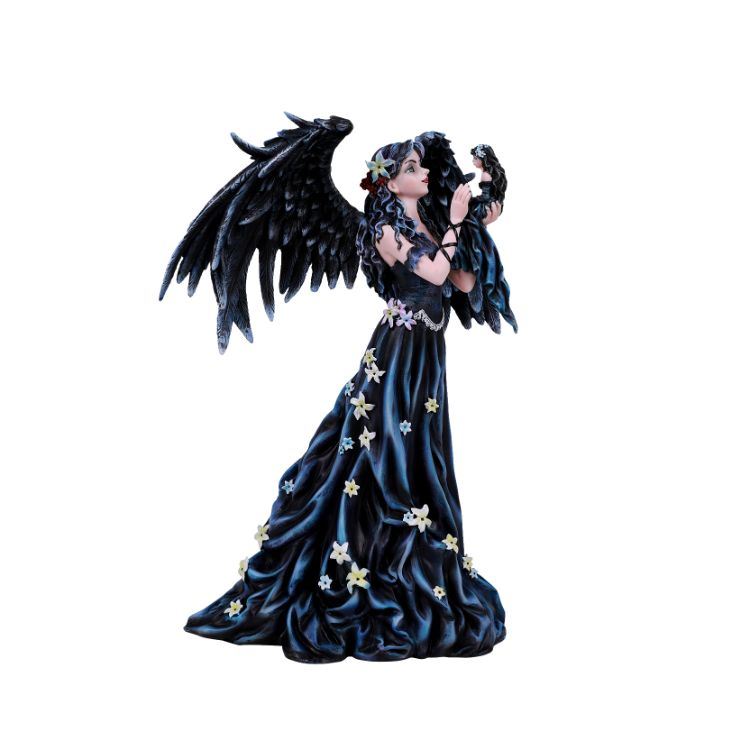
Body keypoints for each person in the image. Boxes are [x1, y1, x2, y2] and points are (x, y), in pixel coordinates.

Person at [160, 114, 517, 663]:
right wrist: (454, 225)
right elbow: (432, 274)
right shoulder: (385, 232)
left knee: (422, 457)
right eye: (412, 167)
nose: (423, 173)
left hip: (428, 358)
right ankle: (362, 559)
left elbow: (463, 280)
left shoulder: (429, 222)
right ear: (390, 181)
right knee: (381, 453)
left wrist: (475, 210)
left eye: (421, 167)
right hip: (398, 354)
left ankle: (416, 561)